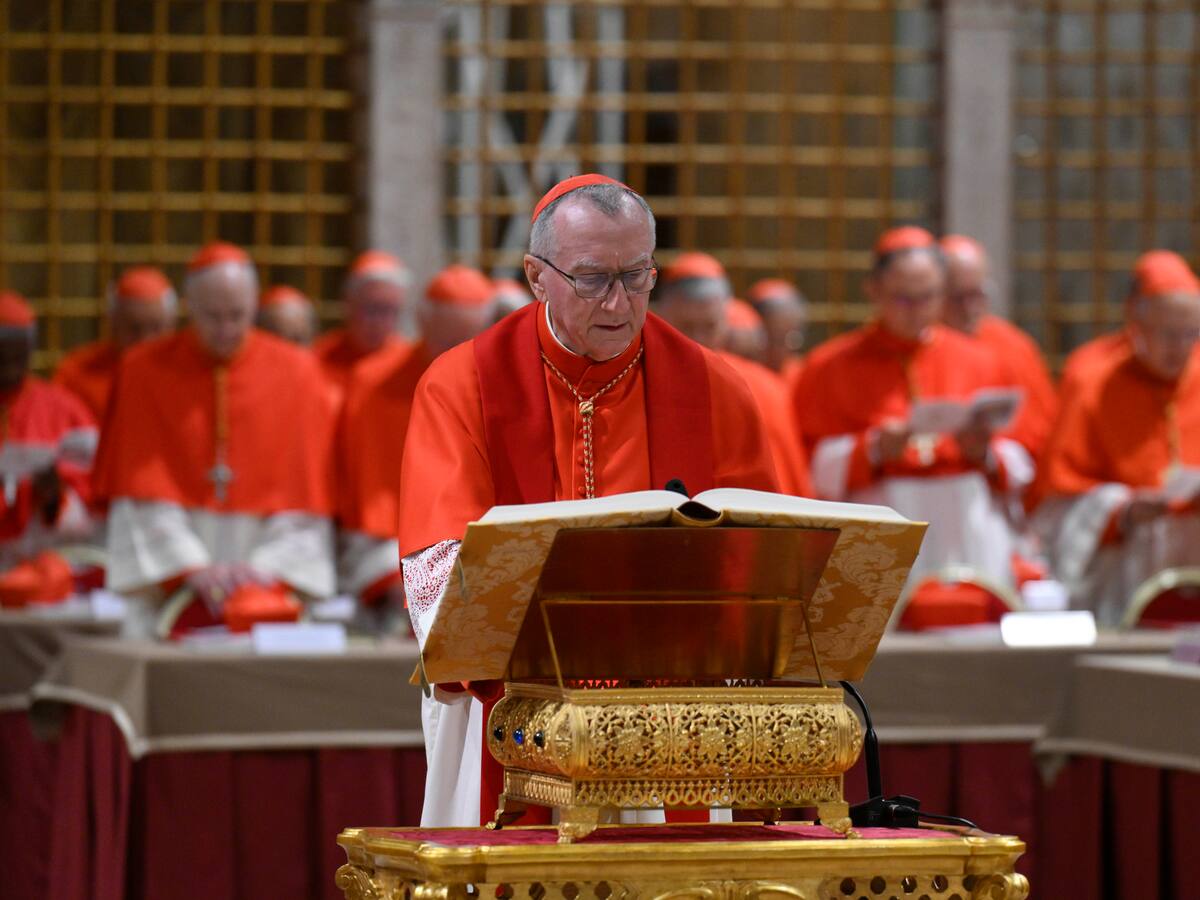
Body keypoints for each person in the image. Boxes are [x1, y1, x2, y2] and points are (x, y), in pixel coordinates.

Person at [397, 175, 777, 827]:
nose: (619, 301)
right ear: (535, 275)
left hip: (670, 717)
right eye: (593, 277)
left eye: (637, 276)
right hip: (511, 712)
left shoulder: (716, 389)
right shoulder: (463, 385)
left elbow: (763, 563)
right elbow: (440, 569)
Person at [94, 242, 337, 633]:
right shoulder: (142, 370)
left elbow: (305, 497)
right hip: (169, 583)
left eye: (237, 315)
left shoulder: (300, 372)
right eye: (212, 316)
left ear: (254, 305)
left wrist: (264, 569)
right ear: (188, 305)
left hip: (268, 575)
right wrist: (189, 567)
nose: (226, 329)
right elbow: (138, 493)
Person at [793, 226, 1030, 588]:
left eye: (928, 297)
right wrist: (870, 450)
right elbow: (805, 466)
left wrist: (985, 453)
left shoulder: (981, 359)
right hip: (880, 518)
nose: (917, 312)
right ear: (873, 290)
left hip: (964, 524)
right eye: (903, 300)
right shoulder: (830, 365)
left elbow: (1024, 456)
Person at [1038, 257, 1200, 625]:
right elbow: (1055, 504)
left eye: (1192, 334)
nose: (1181, 348)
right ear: (1137, 326)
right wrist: (1121, 511)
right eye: (1169, 335)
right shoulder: (1093, 384)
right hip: (1128, 564)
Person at [337, 264, 495, 607]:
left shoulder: (501, 386)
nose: (454, 354)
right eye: (445, 341)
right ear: (422, 323)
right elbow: (369, 504)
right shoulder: (371, 383)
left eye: (466, 342)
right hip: (388, 548)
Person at [657, 253, 811, 496]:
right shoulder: (642, 377)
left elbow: (785, 480)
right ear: (662, 317)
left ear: (725, 321)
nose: (697, 340)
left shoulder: (760, 386)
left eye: (709, 327)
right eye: (686, 326)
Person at [0, 291, 99, 606]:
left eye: (18, 359)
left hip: (48, 571)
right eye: (1, 358)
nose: (9, 370)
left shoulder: (64, 409)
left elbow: (93, 496)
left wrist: (56, 495)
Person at [939, 234, 1056, 458]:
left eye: (977, 295)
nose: (969, 308)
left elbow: (1042, 428)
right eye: (957, 298)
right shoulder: (922, 347)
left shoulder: (1014, 345)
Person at [53, 267, 176, 420]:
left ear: (171, 326)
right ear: (114, 324)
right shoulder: (76, 373)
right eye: (134, 328)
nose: (145, 339)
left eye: (156, 328)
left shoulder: (185, 373)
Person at [314, 250, 411, 390]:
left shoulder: (407, 363)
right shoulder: (320, 357)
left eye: (389, 310)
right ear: (349, 304)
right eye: (371, 308)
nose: (378, 321)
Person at [747, 277, 808, 381]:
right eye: (777, 339)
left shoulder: (802, 373)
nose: (788, 347)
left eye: (794, 338)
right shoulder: (744, 374)